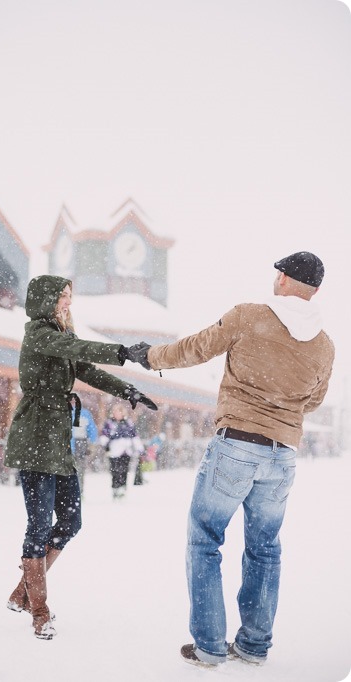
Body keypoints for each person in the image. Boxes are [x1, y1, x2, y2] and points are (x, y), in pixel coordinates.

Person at [124, 252, 334, 668]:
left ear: (287, 280)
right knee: (265, 550)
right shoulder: (324, 345)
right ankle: (254, 645)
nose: (275, 278)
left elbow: (195, 349)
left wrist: (148, 356)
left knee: (204, 540)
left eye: (280, 273)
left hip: (236, 443)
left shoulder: (249, 316)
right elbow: (314, 400)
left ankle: (209, 645)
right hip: (282, 455)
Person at [4, 275, 157, 640]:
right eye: (63, 296)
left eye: (70, 296)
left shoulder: (63, 335)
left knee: (71, 520)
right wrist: (123, 351)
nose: (68, 303)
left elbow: (88, 369)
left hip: (58, 440)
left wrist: (128, 389)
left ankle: (23, 589)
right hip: (37, 433)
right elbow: (86, 352)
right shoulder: (40, 333)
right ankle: (39, 611)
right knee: (39, 524)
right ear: (46, 300)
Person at [99, 402, 145, 499]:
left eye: (119, 412)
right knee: (115, 471)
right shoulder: (109, 423)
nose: (117, 414)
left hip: (126, 451)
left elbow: (134, 437)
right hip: (114, 451)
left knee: (124, 470)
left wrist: (140, 449)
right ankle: (115, 488)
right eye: (115, 412)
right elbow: (104, 435)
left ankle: (122, 488)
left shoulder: (128, 423)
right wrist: (105, 443)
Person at [70, 406, 98, 496]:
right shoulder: (69, 411)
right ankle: (73, 491)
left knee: (79, 468)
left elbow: (92, 429)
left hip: (79, 443)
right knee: (74, 469)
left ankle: (78, 491)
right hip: (72, 443)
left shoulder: (84, 413)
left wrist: (92, 443)